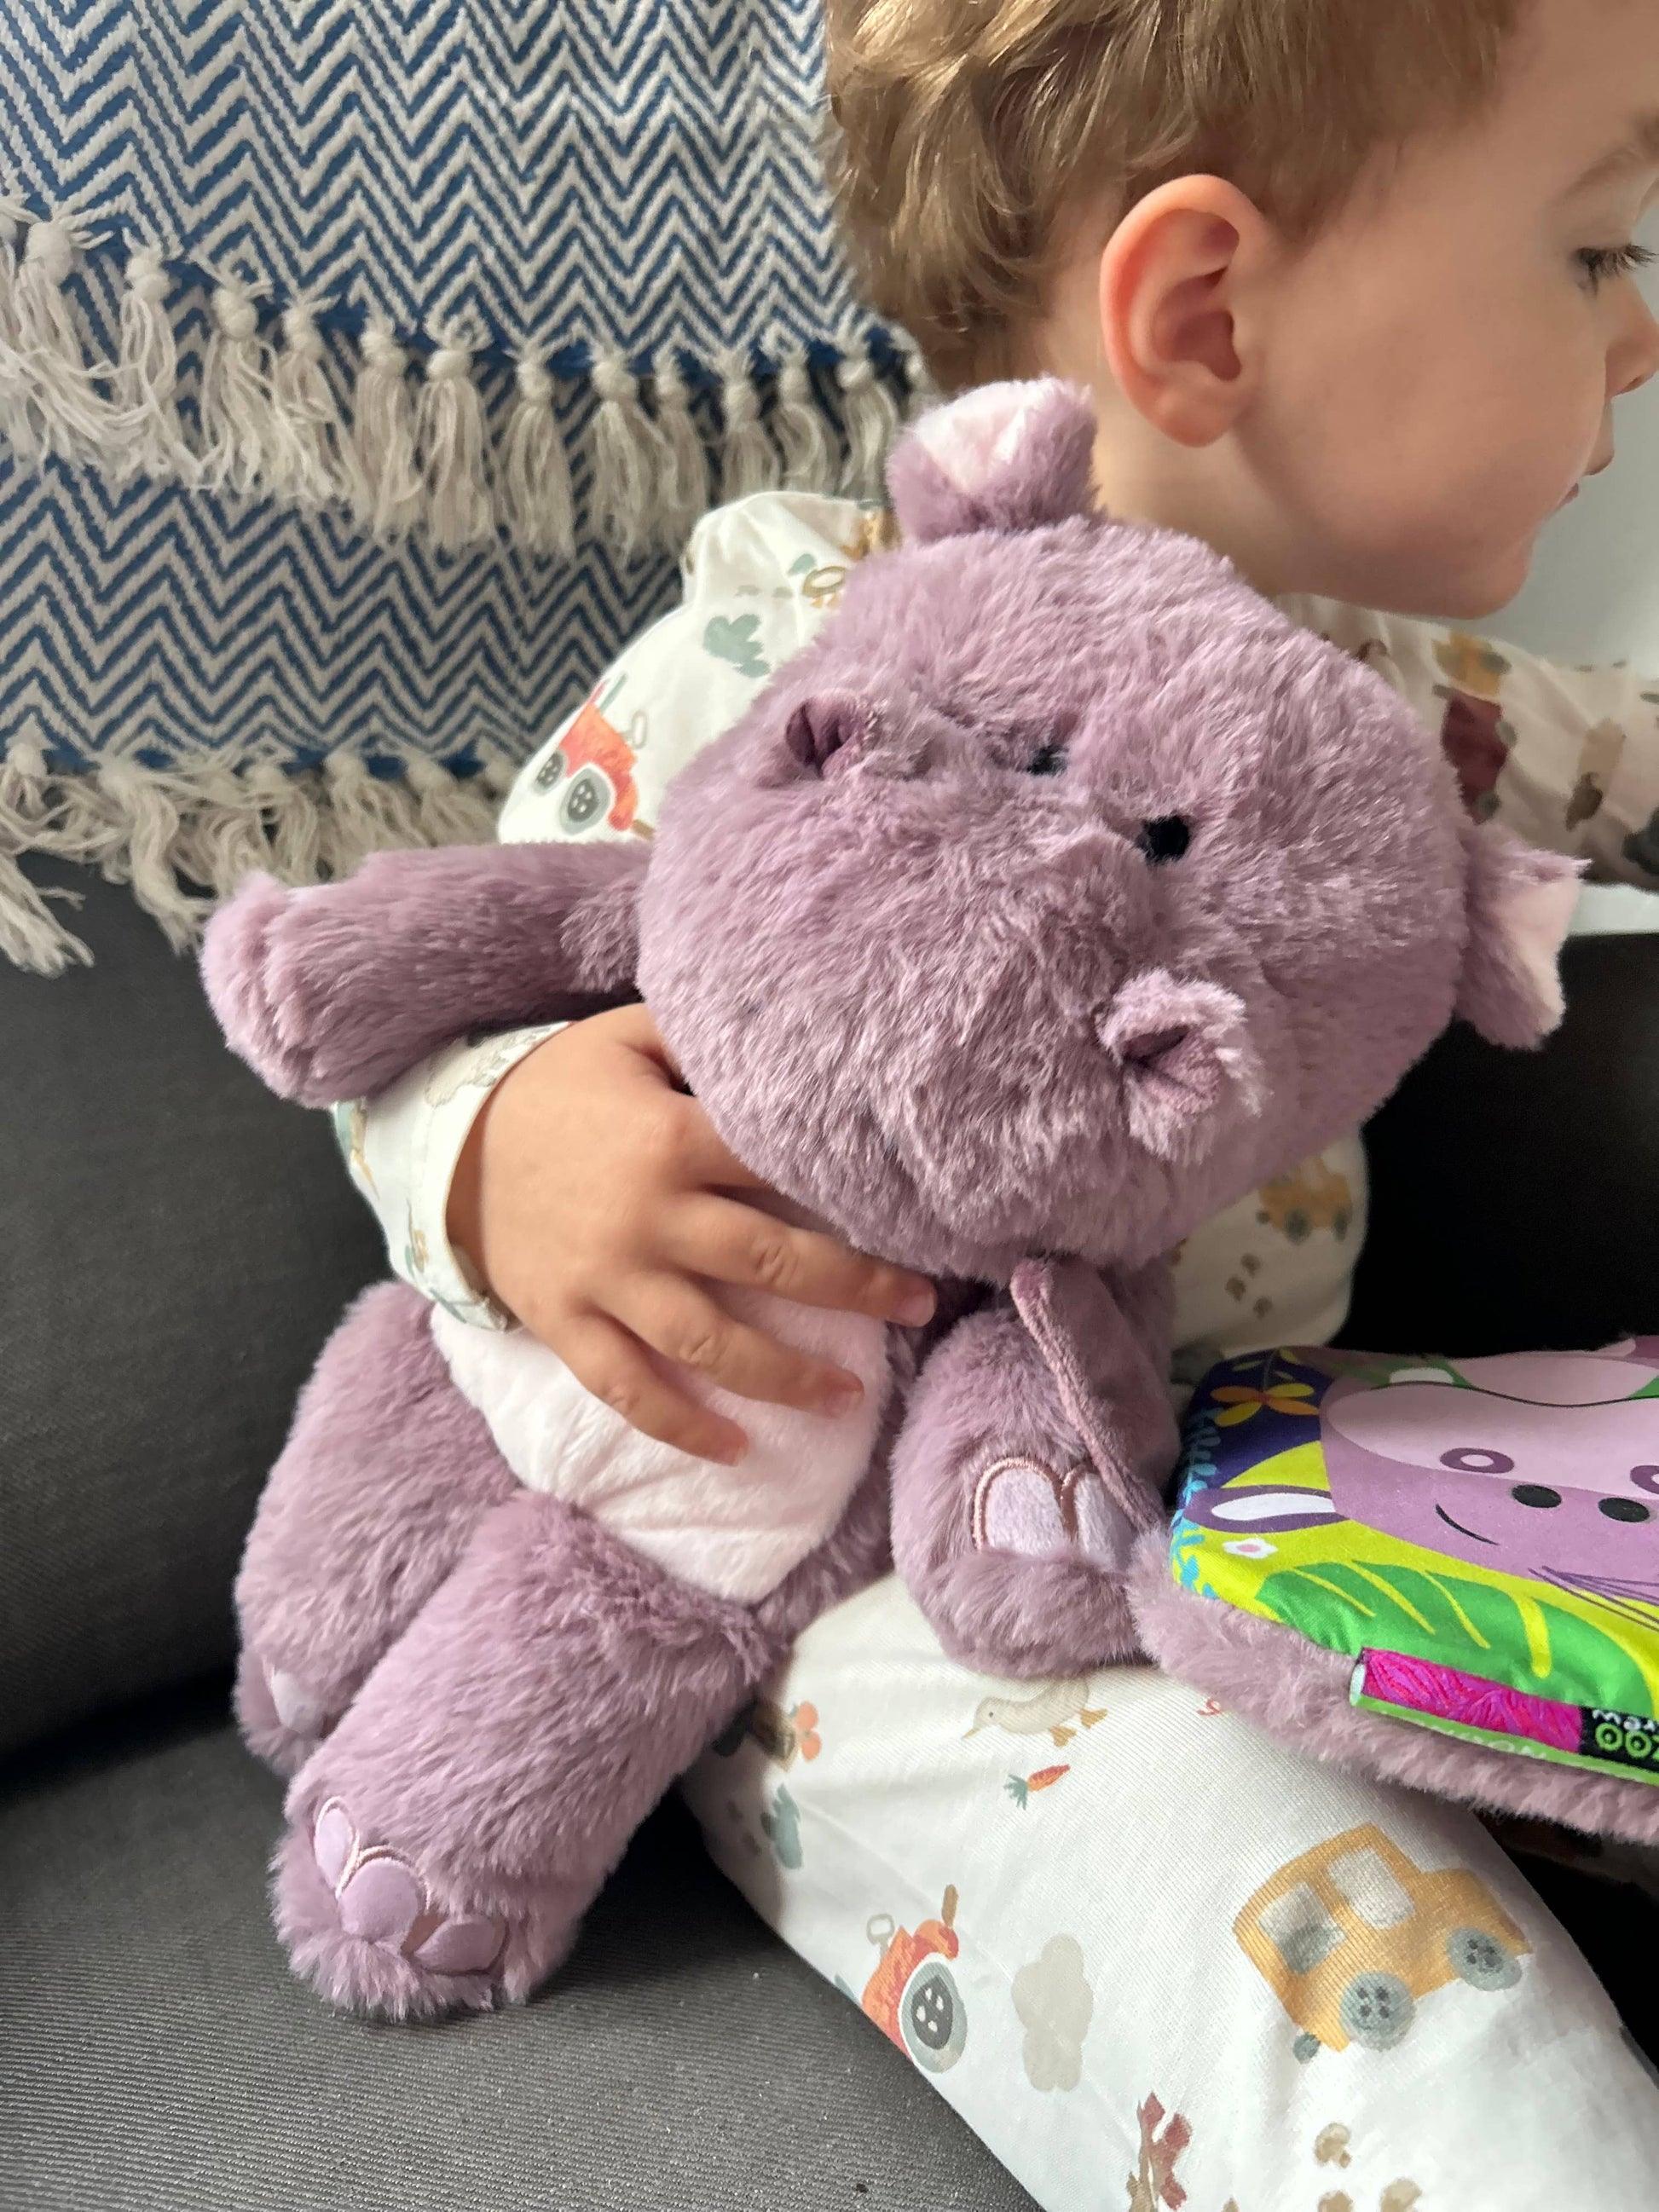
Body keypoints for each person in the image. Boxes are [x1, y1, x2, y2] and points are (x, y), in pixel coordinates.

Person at [341, 0, 1659, 2198]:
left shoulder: (1379, 697)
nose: (1638, 346)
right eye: (1600, 250)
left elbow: (1632, 759)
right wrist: (498, 1150)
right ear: (1207, 311)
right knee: (1417, 2043)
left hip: (1262, 1508)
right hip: (840, 1593)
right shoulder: (807, 652)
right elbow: (453, 972)